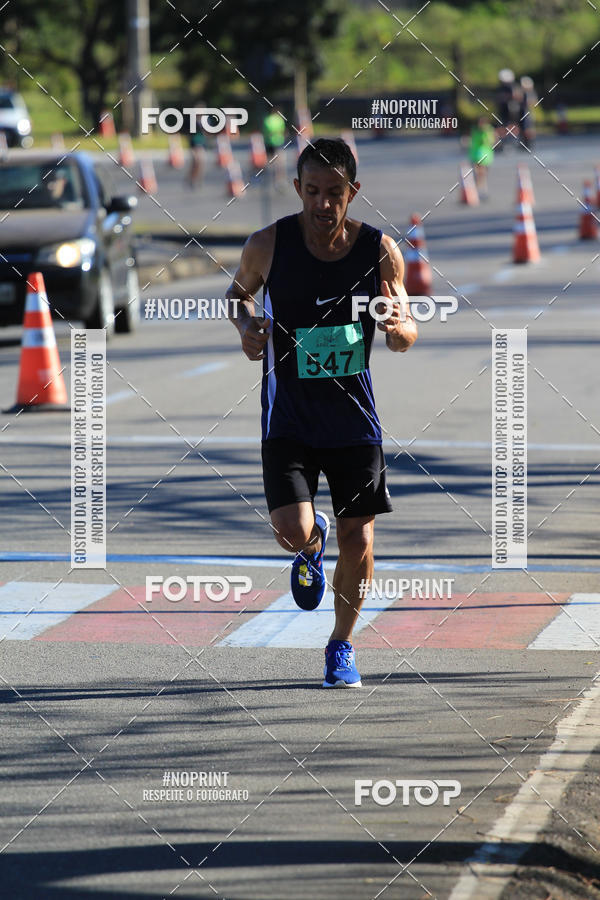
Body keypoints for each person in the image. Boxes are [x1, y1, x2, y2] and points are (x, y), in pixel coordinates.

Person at [227, 138, 418, 687]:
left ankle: (342, 645)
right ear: (298, 189)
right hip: (287, 415)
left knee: (360, 537)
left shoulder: (379, 251)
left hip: (354, 419)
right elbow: (238, 294)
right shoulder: (269, 244)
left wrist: (398, 330)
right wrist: (247, 327)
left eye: (335, 193)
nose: (322, 203)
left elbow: (406, 330)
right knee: (290, 530)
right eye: (312, 191)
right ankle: (310, 545)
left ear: (352, 192)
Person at [469, 117, 495, 198]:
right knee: (480, 173)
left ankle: (480, 190)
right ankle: (479, 190)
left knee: (482, 174)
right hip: (477, 154)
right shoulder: (475, 131)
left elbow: (491, 141)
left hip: (486, 155)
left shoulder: (489, 130)